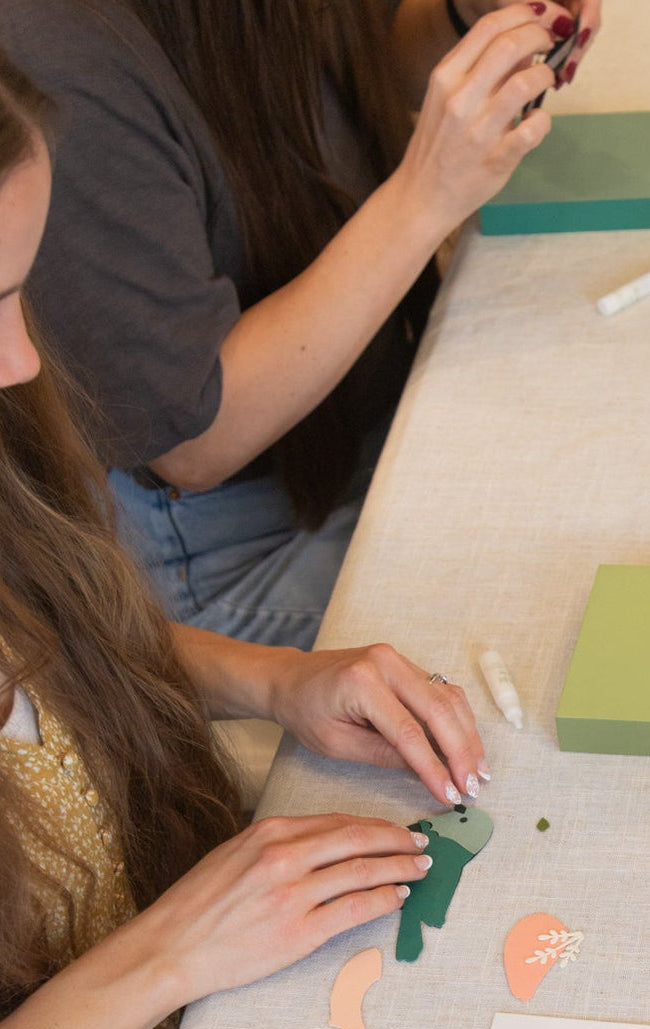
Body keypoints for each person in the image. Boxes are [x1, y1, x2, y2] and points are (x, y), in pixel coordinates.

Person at [0, 51, 491, 1029]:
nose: (21, 361)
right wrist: (169, 952)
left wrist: (278, 679)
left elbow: (54, 649)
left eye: (18, 292)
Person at [0, 0, 601, 650]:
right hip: (232, 548)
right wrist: (425, 197)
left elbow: (355, 63)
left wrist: (467, 18)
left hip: (370, 419)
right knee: (565, 611)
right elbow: (196, 440)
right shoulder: (54, 56)